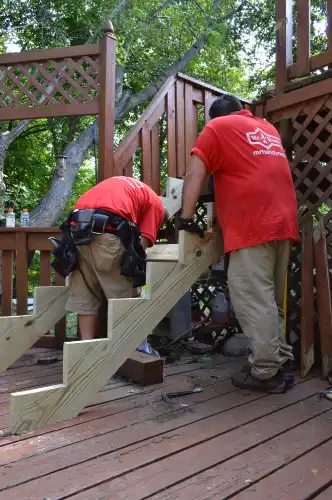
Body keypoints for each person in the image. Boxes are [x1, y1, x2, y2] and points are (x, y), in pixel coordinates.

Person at [180, 94, 299, 394]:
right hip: (283, 224)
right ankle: (278, 360)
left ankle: (266, 372)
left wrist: (186, 218)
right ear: (242, 110)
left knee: (252, 299)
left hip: (253, 225)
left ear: (214, 118)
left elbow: (196, 170)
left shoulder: (218, 128)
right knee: (271, 301)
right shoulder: (266, 129)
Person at [66, 176, 168, 340]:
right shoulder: (157, 206)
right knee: (124, 296)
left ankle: (86, 348)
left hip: (76, 230)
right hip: (108, 231)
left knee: (86, 292)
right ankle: (129, 348)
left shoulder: (132, 187)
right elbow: (140, 247)